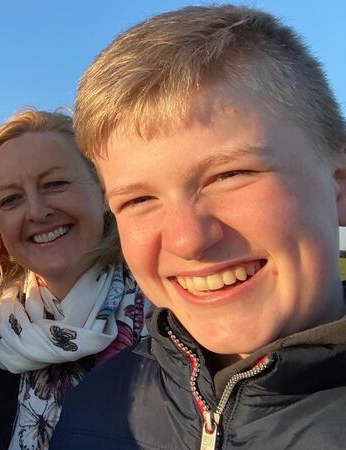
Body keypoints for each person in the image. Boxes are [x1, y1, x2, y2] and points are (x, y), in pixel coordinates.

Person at [51, 5, 346, 449]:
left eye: (230, 175)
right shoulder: (96, 407)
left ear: (338, 185)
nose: (189, 239)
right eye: (139, 199)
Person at [0, 109, 149, 450]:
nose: (37, 212)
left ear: (102, 191)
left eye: (55, 184)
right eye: (11, 199)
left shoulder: (174, 326)